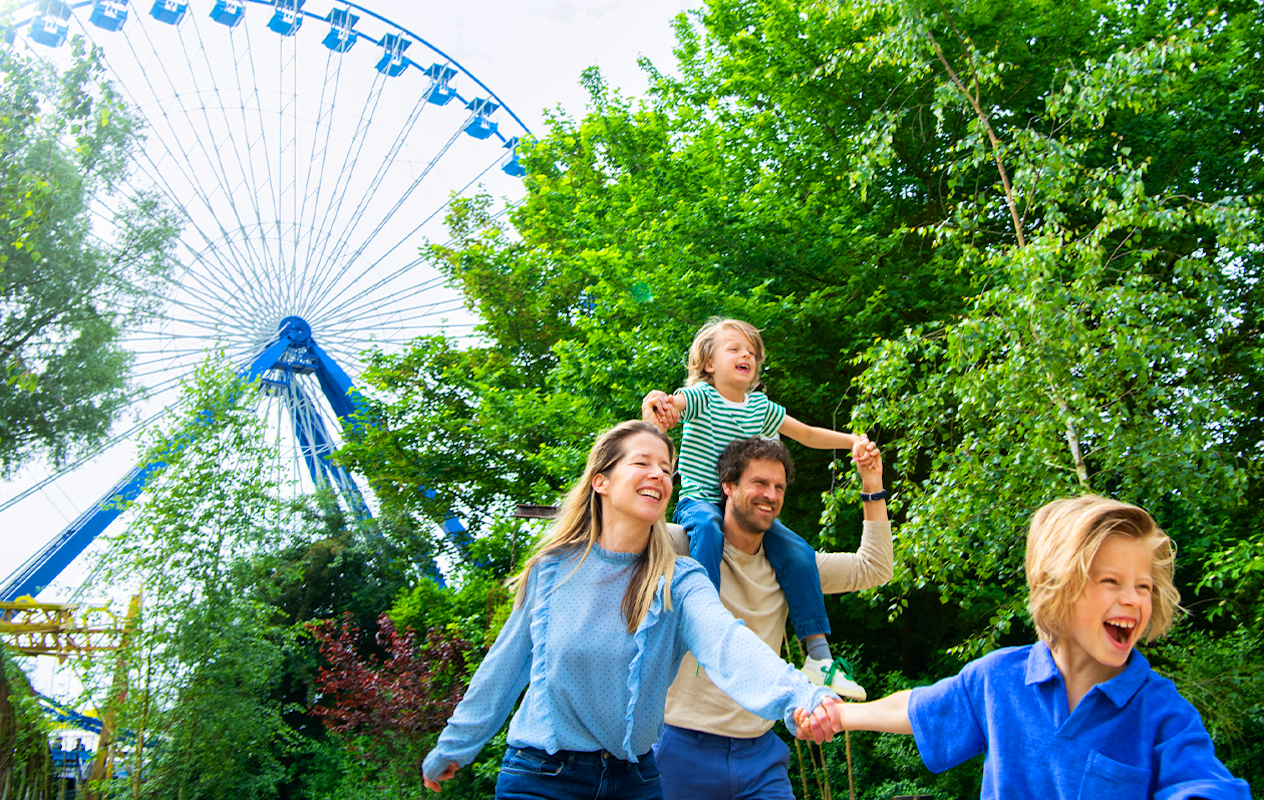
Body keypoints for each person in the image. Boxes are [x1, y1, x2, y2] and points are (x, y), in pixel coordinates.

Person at [422, 420, 840, 799]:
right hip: (540, 777)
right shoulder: (552, 572)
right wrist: (455, 745)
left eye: (666, 467)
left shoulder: (680, 580)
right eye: (643, 463)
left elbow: (729, 645)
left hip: (635, 781)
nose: (660, 474)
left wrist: (802, 696)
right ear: (601, 481)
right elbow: (504, 667)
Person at [797, 495, 1252, 799]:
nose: (1133, 598)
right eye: (1110, 581)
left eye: (1144, 586)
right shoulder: (999, 678)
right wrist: (838, 716)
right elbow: (917, 709)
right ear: (1059, 588)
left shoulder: (1161, 712)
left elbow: (1204, 784)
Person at [655, 435, 893, 800]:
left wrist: (872, 484)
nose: (771, 494)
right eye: (760, 483)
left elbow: (873, 568)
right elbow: (623, 533)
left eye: (779, 487)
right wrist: (653, 431)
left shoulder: (792, 568)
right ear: (728, 486)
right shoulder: (682, 546)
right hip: (679, 748)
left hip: (759, 757)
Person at [642, 317, 867, 697]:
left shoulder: (761, 407)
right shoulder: (702, 397)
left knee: (798, 552)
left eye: (752, 352)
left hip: (743, 507)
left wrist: (852, 441)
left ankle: (818, 656)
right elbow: (668, 408)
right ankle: (704, 626)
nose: (746, 354)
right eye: (735, 349)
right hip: (702, 500)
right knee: (710, 531)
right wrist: (658, 406)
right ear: (709, 364)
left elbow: (808, 434)